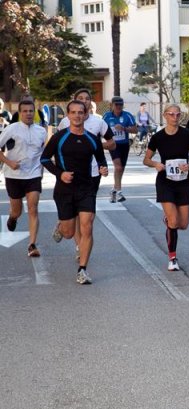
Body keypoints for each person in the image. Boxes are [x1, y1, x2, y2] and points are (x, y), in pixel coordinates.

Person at [41, 100, 109, 284]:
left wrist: (103, 169)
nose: (77, 115)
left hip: (86, 188)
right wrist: (60, 174)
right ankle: (61, 226)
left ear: (85, 114)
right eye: (74, 112)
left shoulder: (92, 139)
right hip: (64, 190)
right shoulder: (59, 137)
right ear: (68, 115)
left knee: (87, 226)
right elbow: (45, 159)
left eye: (81, 112)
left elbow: (102, 160)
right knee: (69, 233)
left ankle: (82, 270)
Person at [57, 88, 116, 261]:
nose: (84, 101)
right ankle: (77, 244)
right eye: (80, 98)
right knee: (75, 213)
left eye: (87, 98)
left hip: (92, 172)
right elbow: (56, 148)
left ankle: (81, 244)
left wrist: (94, 145)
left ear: (91, 103)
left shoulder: (99, 122)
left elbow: (112, 144)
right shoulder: (66, 123)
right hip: (71, 173)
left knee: (87, 214)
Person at [143, 105, 189, 271]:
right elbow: (146, 159)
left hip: (182, 182)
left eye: (177, 114)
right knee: (174, 221)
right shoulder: (158, 137)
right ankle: (172, 258)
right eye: (171, 114)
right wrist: (155, 164)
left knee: (183, 224)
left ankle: (169, 220)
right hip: (165, 182)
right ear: (165, 116)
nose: (175, 117)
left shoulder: (187, 135)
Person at [0, 99, 47, 257]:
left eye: (31, 111)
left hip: (33, 175)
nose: (28, 113)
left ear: (34, 113)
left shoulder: (41, 131)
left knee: (33, 209)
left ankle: (32, 245)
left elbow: (45, 153)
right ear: (20, 113)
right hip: (13, 175)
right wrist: (9, 162)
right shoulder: (11, 129)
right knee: (17, 211)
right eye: (25, 111)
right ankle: (12, 218)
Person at [102, 96, 137, 203]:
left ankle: (114, 189)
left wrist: (124, 128)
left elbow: (135, 130)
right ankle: (119, 192)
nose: (118, 107)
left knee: (120, 168)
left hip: (124, 145)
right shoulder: (107, 116)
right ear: (111, 105)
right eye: (116, 104)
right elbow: (100, 129)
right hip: (113, 145)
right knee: (118, 166)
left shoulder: (127, 115)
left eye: (120, 105)